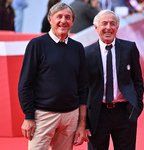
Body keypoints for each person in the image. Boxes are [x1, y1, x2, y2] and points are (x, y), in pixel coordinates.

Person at [18, 2, 89, 150]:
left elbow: (83, 87)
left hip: (70, 116)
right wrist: (29, 116)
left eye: (67, 17)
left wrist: (81, 124)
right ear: (50, 19)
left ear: (72, 21)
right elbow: (25, 83)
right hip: (43, 116)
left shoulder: (78, 48)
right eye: (59, 17)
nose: (63, 21)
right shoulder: (36, 45)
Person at [85, 9, 144, 150]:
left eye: (112, 24)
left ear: (117, 27)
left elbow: (138, 80)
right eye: (104, 23)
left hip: (124, 113)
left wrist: (137, 106)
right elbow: (82, 89)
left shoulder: (129, 49)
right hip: (97, 115)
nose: (108, 28)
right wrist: (85, 121)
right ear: (96, 27)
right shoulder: (86, 53)